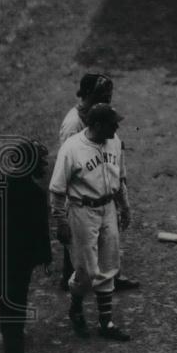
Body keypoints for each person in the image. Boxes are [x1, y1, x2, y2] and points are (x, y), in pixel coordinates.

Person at [49, 103, 133, 341]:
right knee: (85, 271)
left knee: (109, 264)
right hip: (81, 209)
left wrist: (125, 207)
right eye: (112, 123)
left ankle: (106, 322)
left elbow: (120, 179)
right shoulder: (72, 148)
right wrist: (60, 221)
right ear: (97, 125)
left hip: (108, 208)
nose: (117, 126)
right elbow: (57, 190)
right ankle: (76, 308)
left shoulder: (114, 141)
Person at [58, 73, 140, 292]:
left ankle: (111, 276)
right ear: (87, 94)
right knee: (79, 241)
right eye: (103, 94)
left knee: (107, 237)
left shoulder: (102, 115)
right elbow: (68, 166)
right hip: (79, 193)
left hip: (101, 184)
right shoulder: (73, 123)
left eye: (109, 94)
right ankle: (73, 282)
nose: (108, 99)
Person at [0, 138, 52, 353]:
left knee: (6, 299)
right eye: (40, 162)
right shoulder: (35, 193)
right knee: (16, 301)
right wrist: (44, 258)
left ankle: (11, 339)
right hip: (18, 259)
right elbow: (40, 231)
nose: (44, 166)